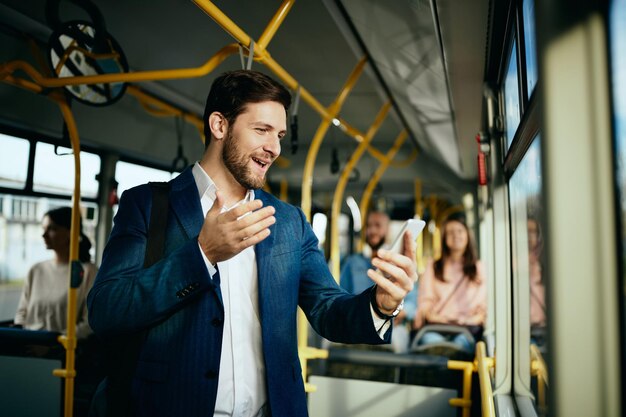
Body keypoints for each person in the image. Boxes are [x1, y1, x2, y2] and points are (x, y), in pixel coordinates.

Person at [87, 69, 416, 417]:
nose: (274, 148)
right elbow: (107, 310)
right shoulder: (148, 206)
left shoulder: (289, 221)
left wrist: (380, 305)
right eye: (261, 130)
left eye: (280, 135)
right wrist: (202, 255)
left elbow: (328, 311)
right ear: (219, 126)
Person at [340, 210, 417, 353]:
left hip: (392, 323)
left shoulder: (398, 261)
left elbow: (413, 300)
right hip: (358, 320)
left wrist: (400, 312)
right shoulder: (352, 262)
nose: (372, 230)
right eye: (369, 226)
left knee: (396, 341)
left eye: (378, 225)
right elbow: (341, 295)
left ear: (387, 230)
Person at [14, 206, 97, 339]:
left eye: (52, 229)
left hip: (62, 350)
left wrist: (52, 343)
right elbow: (21, 314)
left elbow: (89, 323)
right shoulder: (36, 270)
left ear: (70, 232)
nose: (44, 234)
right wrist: (25, 339)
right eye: (43, 229)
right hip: (28, 346)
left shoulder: (87, 272)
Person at [413, 214, 486, 353]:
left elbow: (483, 307)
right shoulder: (433, 266)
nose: (456, 235)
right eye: (450, 232)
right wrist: (430, 314)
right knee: (431, 343)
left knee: (461, 346)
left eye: (460, 231)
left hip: (466, 328)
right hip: (436, 327)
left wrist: (468, 319)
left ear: (467, 235)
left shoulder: (479, 269)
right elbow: (425, 299)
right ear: (444, 238)